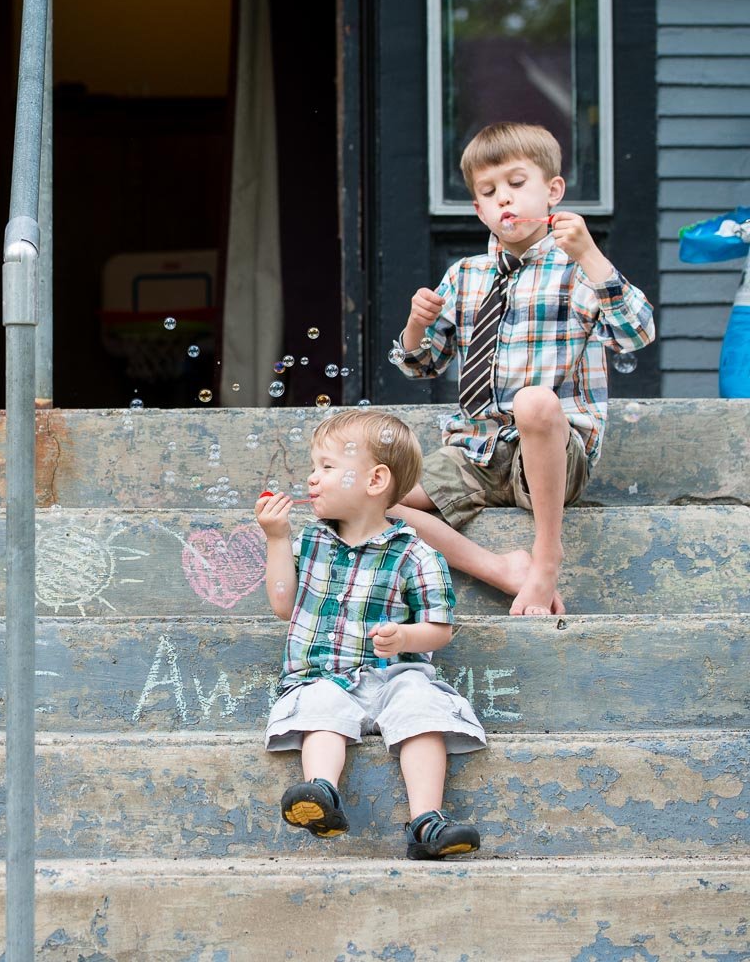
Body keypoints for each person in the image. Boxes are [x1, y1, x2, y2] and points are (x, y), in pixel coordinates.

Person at [391, 122, 656, 616]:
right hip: (477, 450)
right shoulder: (464, 275)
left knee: (535, 401)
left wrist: (591, 255)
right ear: (478, 209)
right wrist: (414, 326)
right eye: (489, 192)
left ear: (553, 191)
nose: (503, 200)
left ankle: (546, 556)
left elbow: (636, 334)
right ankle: (501, 568)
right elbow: (422, 364)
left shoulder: (576, 268)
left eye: (517, 184)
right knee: (374, 498)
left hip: (555, 453)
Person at [256, 409, 484, 859]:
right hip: (324, 674)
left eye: (326, 467)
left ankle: (427, 822)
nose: (311, 478)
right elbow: (284, 604)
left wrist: (405, 638)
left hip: (395, 676)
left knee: (422, 708)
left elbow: (440, 628)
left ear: (376, 480)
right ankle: (320, 793)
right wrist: (277, 538)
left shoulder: (417, 554)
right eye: (312, 467)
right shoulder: (310, 543)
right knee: (320, 706)